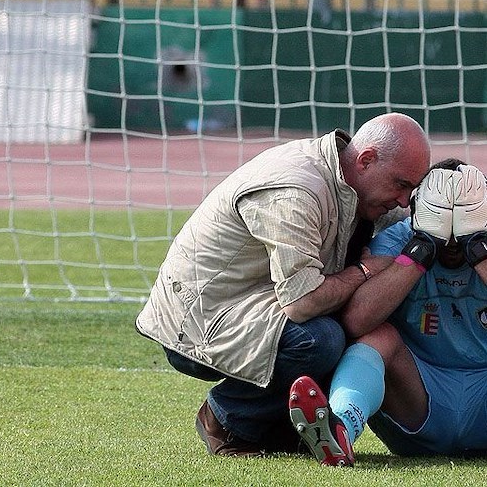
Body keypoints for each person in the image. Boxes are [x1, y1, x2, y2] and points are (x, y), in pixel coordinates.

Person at [135, 112, 431, 458]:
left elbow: (416, 215)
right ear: (366, 160)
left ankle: (280, 432)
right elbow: (302, 303)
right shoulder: (295, 191)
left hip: (252, 304)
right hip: (199, 321)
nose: (403, 200)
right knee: (322, 339)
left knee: (364, 313)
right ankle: (224, 417)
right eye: (401, 185)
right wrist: (364, 271)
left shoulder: (354, 183)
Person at [288, 159, 487, 466]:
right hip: (416, 399)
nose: (452, 243)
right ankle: (340, 427)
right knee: (377, 335)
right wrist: (422, 250)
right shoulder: (398, 239)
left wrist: (478, 249)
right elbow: (356, 321)